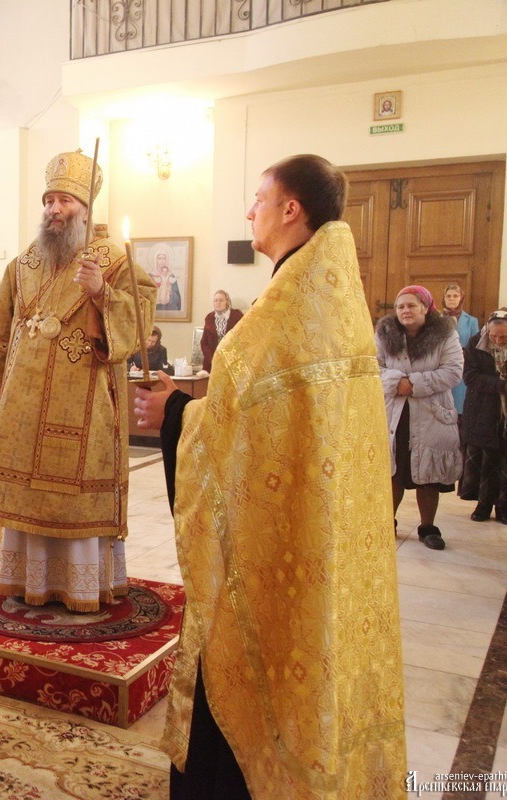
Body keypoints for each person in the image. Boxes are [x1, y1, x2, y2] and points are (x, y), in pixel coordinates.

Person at [135, 155, 406, 798]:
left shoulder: (287, 311)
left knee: (245, 661)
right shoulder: (328, 296)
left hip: (271, 547)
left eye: (259, 198)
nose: (249, 211)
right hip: (315, 529)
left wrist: (174, 414)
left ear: (291, 209)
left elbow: (238, 429)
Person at [0, 149, 157, 612]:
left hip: (85, 402)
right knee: (26, 497)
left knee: (73, 495)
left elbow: (141, 319)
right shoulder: (24, 263)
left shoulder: (112, 260)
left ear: (85, 208)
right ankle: (28, 581)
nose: (53, 209)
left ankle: (81, 587)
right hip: (23, 408)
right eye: (49, 200)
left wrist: (102, 292)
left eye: (64, 200)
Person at [376, 285, 463, 549]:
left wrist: (413, 384)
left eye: (411, 305)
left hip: (432, 414)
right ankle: (385, 523)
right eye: (400, 306)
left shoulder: (446, 334)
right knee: (393, 470)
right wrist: (396, 382)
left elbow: (453, 371)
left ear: (425, 307)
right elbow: (373, 367)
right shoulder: (384, 334)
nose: (405, 310)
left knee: (429, 472)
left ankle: (427, 528)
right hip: (395, 414)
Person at [459, 308, 507, 526]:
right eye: (493, 336)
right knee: (484, 457)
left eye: (503, 337)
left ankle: (503, 507)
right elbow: (471, 377)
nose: (497, 340)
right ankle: (483, 504)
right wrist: (504, 385)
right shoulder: (475, 343)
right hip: (482, 409)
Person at [442, 282, 479, 417]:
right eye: (448, 296)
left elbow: (475, 346)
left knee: (459, 408)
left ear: (461, 298)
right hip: (441, 365)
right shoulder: (436, 320)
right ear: (444, 298)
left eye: (455, 296)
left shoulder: (471, 321)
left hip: (462, 366)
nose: (452, 299)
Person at [198, 290, 243, 372]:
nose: (218, 303)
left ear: (227, 302)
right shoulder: (209, 317)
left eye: (221, 300)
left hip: (232, 361)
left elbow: (241, 339)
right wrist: (212, 359)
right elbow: (204, 343)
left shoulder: (237, 316)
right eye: (215, 300)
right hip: (212, 362)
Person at [149, 244, 182, 311]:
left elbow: (176, 295)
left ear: (166, 260)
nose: (161, 261)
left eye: (164, 258)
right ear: (156, 260)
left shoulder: (170, 275)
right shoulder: (150, 275)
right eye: (159, 258)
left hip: (169, 304)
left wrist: (170, 291)